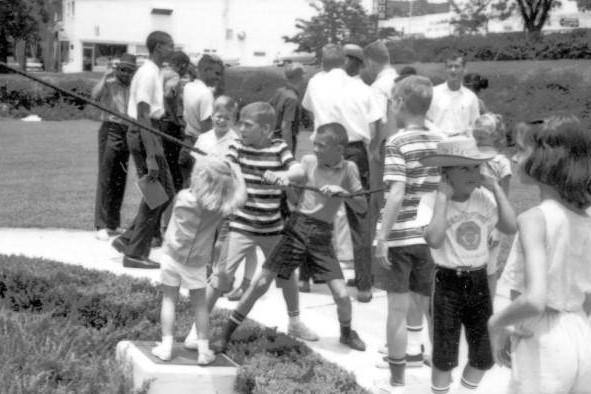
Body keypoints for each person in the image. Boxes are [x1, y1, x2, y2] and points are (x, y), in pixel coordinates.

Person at [212, 122, 368, 354]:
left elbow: (363, 206)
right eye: (314, 144)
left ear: (339, 149)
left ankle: (346, 333)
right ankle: (225, 334)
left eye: (321, 146)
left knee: (343, 295)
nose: (314, 149)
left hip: (322, 236)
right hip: (297, 228)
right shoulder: (308, 163)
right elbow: (295, 200)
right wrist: (284, 186)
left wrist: (344, 194)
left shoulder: (349, 169)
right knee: (261, 283)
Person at [199, 102, 319, 344]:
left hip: (272, 228)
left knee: (286, 275)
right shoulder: (237, 146)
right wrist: (226, 167)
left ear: (265, 129)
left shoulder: (279, 148)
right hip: (241, 225)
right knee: (221, 276)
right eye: (240, 123)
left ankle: (295, 321)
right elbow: (229, 162)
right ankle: (198, 327)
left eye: (247, 124)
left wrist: (283, 176)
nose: (240, 128)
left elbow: (298, 172)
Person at [489, 115, 591, 394]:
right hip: (582, 333)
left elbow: (535, 299)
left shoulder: (535, 219)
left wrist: (496, 323)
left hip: (543, 338)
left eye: (520, 151)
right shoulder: (587, 218)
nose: (513, 157)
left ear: (545, 160)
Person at [420, 137, 517, 394]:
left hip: (479, 280)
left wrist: (496, 188)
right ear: (445, 173)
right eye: (464, 168)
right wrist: (442, 198)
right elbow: (434, 238)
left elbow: (510, 226)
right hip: (447, 283)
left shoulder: (483, 197)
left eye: (476, 167)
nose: (473, 174)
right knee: (444, 354)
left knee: (484, 355)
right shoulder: (431, 200)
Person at [373, 75, 442, 389]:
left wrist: (383, 237)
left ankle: (397, 381)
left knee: (397, 311)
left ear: (399, 103)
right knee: (431, 310)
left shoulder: (397, 142)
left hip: (401, 237)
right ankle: (440, 379)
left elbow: (397, 193)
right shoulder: (440, 141)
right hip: (429, 237)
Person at [302, 43, 382, 302]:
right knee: (359, 214)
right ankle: (364, 285)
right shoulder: (360, 88)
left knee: (313, 210)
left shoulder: (316, 82)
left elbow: (309, 109)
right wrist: (372, 149)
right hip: (355, 148)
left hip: (324, 147)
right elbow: (376, 124)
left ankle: (305, 275)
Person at [151, 156, 246, 364]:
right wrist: (234, 171)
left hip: (172, 257)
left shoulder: (183, 196)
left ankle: (166, 347)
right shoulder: (219, 207)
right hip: (197, 263)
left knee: (169, 300)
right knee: (200, 305)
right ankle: (203, 351)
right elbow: (239, 195)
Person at [111, 31, 175, 269]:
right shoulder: (148, 73)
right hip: (145, 132)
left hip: (148, 132)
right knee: (158, 194)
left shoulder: (152, 72)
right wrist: (151, 156)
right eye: (170, 45)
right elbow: (142, 115)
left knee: (161, 192)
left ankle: (128, 239)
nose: (173, 49)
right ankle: (135, 253)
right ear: (158, 47)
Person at [191, 95, 257, 302]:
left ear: (233, 120)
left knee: (227, 242)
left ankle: (228, 280)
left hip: (229, 199)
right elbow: (197, 169)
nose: (221, 121)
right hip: (207, 196)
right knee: (206, 238)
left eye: (227, 118)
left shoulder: (236, 141)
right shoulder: (203, 138)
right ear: (212, 116)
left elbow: (239, 173)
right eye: (218, 116)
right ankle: (209, 274)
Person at [93, 53, 137, 241]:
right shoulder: (110, 82)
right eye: (123, 70)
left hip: (127, 130)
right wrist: (105, 75)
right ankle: (100, 225)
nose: (126, 74)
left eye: (130, 71)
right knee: (106, 176)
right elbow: (94, 96)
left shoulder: (134, 86)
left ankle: (112, 223)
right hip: (110, 128)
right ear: (118, 69)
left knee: (120, 177)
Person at [473, 113, 512, 296]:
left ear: (495, 137)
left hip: (492, 222)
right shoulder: (470, 157)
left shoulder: (501, 163)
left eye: (481, 138)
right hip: (471, 217)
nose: (477, 141)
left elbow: (504, 198)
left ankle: (487, 311)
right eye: (475, 137)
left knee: (489, 268)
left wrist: (497, 229)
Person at [178, 54, 224, 186]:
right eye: (216, 73)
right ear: (205, 70)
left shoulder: (188, 87)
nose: (218, 78)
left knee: (185, 193)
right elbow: (207, 131)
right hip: (198, 148)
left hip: (186, 144)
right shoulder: (206, 94)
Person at [427, 54, 480, 138]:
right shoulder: (433, 93)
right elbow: (426, 120)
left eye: (457, 66)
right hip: (437, 142)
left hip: (462, 143)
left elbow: (475, 122)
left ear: (464, 69)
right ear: (445, 70)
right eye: (449, 66)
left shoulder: (471, 97)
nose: (453, 70)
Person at [268, 62, 303, 153]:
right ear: (298, 76)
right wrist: (288, 149)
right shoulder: (292, 98)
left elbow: (268, 109)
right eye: (303, 74)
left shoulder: (279, 92)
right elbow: (286, 126)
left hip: (271, 136)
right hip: (283, 138)